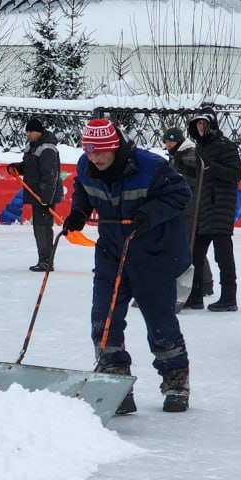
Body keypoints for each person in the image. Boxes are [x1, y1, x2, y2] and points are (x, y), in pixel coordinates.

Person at [62, 118, 193, 413]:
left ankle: (176, 381)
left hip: (154, 255)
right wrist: (79, 211)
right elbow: (82, 189)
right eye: (90, 152)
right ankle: (115, 381)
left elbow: (181, 194)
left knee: (161, 324)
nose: (95, 158)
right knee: (104, 320)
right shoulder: (86, 167)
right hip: (111, 253)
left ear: (115, 146)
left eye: (101, 151)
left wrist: (150, 213)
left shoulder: (150, 166)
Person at [185, 111, 241, 312]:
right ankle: (195, 296)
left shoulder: (225, 146)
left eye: (203, 124)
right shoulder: (200, 147)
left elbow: (235, 174)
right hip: (203, 209)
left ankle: (229, 298)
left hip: (220, 208)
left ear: (211, 125)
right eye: (198, 125)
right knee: (195, 255)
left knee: (223, 256)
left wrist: (210, 166)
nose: (200, 128)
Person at [162, 126, 214, 300]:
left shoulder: (189, 155)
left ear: (179, 141)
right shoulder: (176, 156)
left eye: (171, 141)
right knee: (188, 245)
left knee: (190, 245)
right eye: (166, 142)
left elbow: (194, 180)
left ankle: (203, 284)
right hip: (181, 207)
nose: (168, 145)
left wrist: (176, 176)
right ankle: (204, 284)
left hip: (191, 207)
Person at [7, 116, 64, 272]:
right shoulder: (32, 147)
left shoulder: (47, 150)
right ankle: (44, 259)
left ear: (39, 132)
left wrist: (46, 199)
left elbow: (50, 175)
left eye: (31, 131)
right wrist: (16, 168)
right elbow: (28, 167)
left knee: (43, 229)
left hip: (45, 196)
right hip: (37, 195)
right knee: (39, 228)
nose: (28, 134)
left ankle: (46, 261)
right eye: (27, 131)